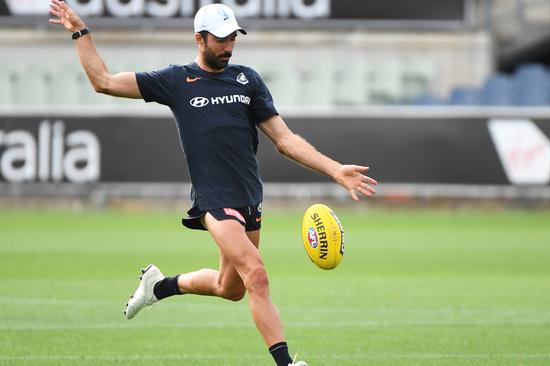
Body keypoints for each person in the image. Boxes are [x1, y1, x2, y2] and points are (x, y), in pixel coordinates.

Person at [48, 1, 378, 365]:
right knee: (257, 274)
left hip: (250, 197)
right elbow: (104, 82)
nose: (228, 45)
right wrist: (81, 32)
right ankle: (286, 363)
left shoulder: (247, 80)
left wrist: (334, 169)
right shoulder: (175, 81)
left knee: (230, 288)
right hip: (214, 201)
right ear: (199, 38)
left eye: (233, 37)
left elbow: (284, 140)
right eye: (220, 39)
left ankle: (159, 286)